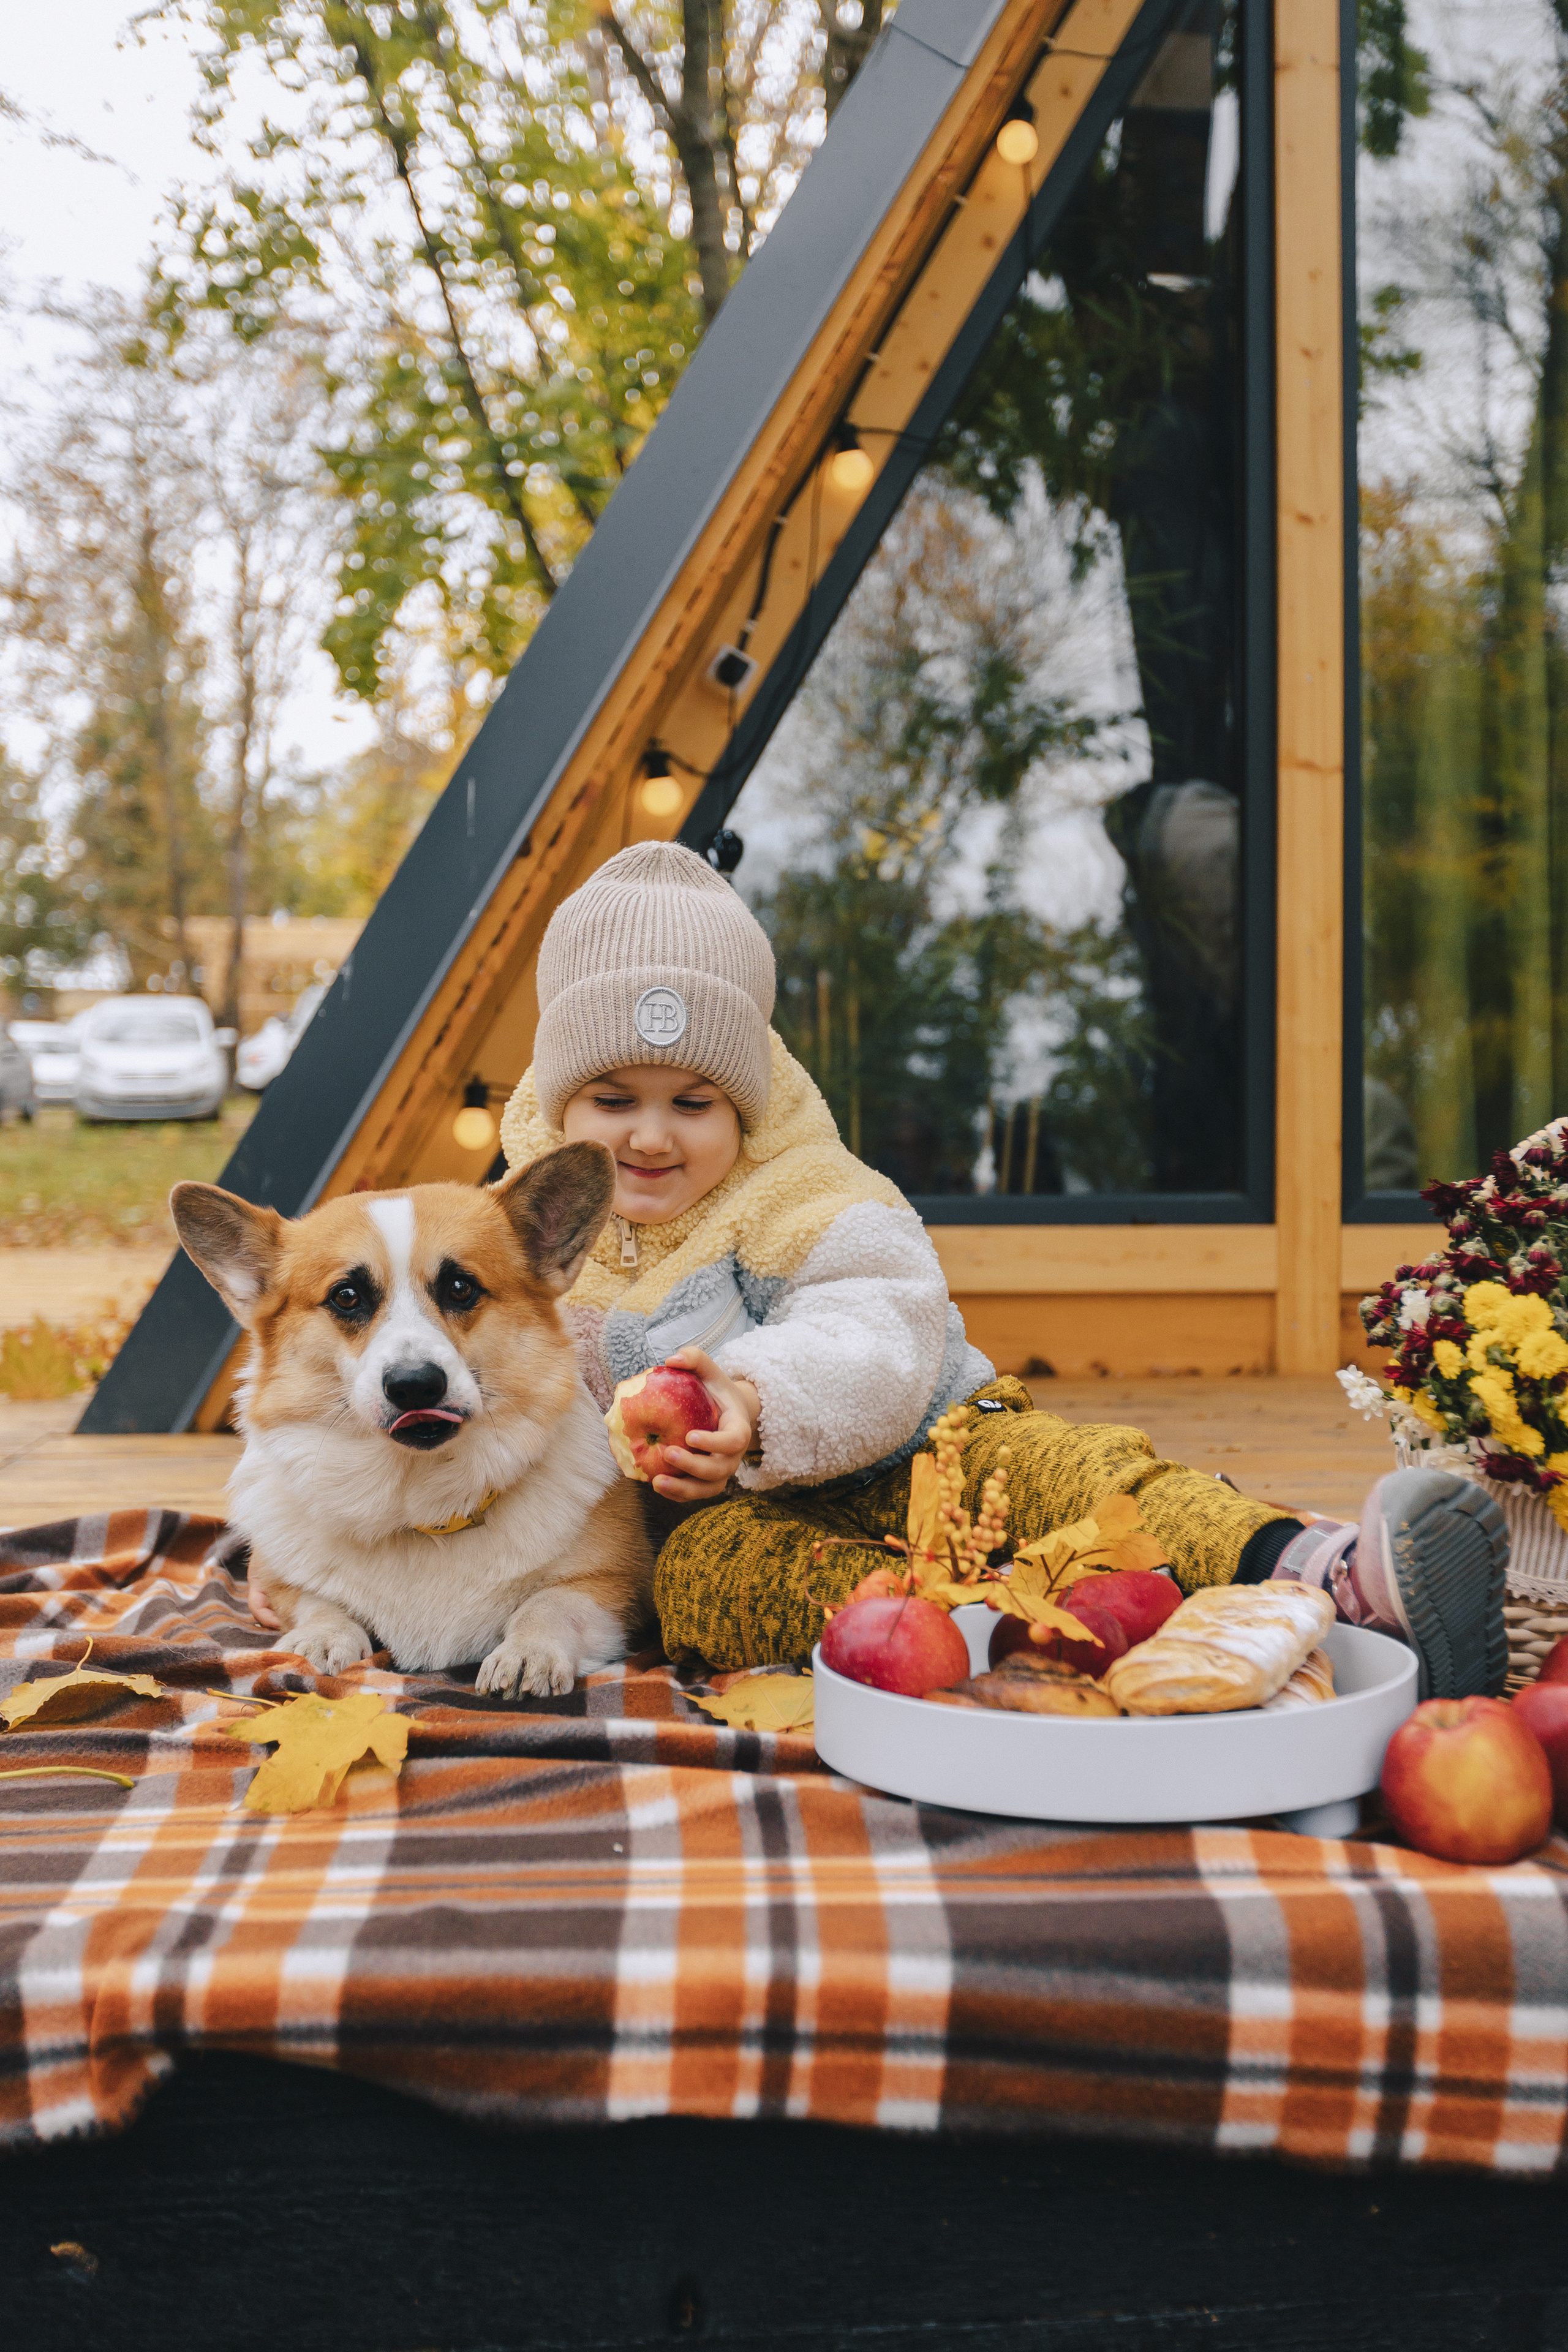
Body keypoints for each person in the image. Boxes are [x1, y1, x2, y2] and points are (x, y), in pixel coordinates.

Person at [486, 842, 1508, 1697]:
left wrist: (753, 1398)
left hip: (929, 1450)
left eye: (693, 1104)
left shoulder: (803, 1192)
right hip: (742, 1514)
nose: (652, 1137)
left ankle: (1325, 1573)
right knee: (705, 1581)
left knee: (1076, 1479)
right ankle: (1003, 1638)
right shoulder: (520, 1239)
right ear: (560, 1107)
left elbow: (878, 1327)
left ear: (745, 1103)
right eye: (614, 1100)